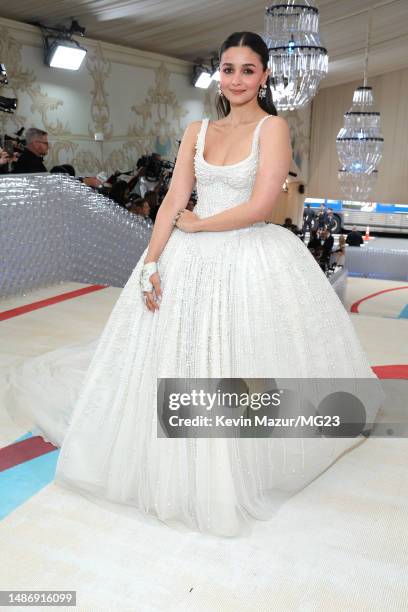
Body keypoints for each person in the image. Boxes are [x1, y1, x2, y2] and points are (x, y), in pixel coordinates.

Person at [4, 31, 383, 537]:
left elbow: (263, 204)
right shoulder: (197, 129)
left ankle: (234, 457)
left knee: (238, 351)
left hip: (246, 251)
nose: (237, 79)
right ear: (220, 75)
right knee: (174, 351)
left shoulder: (273, 128)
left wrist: (200, 225)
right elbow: (172, 199)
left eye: (248, 70)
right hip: (187, 254)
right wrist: (151, 261)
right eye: (229, 69)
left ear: (265, 76)